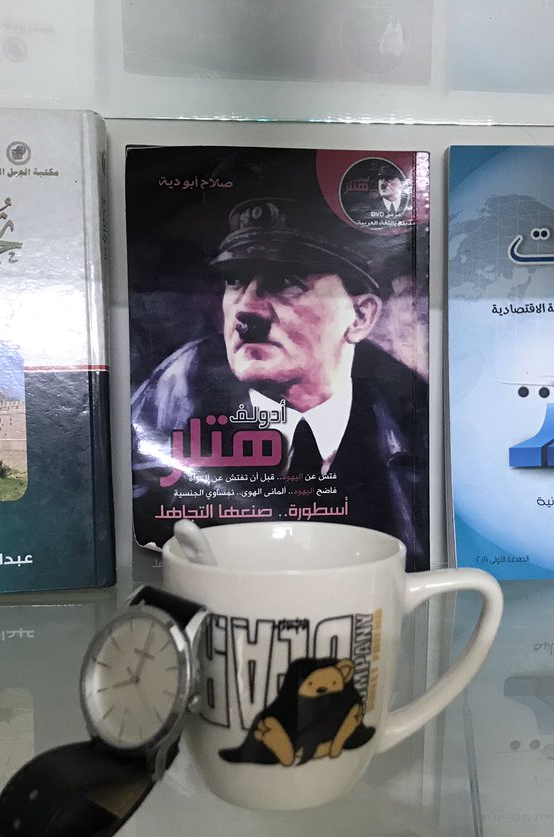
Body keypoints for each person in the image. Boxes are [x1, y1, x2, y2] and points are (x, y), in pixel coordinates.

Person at [131, 197, 429, 570]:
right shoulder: (173, 398)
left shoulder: (415, 425)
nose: (246, 310)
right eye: (234, 281)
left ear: (359, 316)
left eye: (285, 283)